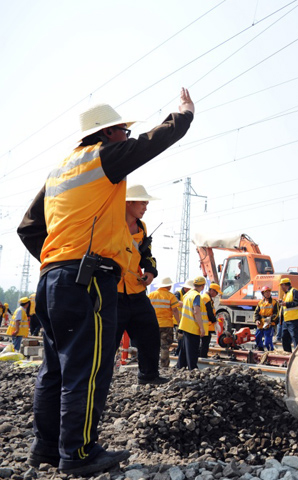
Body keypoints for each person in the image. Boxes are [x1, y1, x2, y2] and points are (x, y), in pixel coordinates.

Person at [16, 88, 194, 475]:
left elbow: (28, 228)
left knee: (54, 370)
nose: (128, 138)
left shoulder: (60, 170)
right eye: (123, 132)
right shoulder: (103, 158)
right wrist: (183, 115)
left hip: (52, 280)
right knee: (88, 368)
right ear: (109, 133)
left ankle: (45, 448)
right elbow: (153, 142)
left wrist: (57, 261)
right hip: (88, 282)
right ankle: (78, 455)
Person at [115, 184, 167, 385]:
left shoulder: (142, 227)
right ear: (128, 202)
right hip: (113, 290)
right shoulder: (111, 222)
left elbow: (147, 255)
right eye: (142, 202)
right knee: (108, 340)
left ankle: (149, 376)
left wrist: (150, 272)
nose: (146, 206)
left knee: (149, 332)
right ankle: (98, 379)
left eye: (146, 202)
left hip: (136, 290)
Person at [148, 277, 181, 368]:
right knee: (165, 346)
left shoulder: (151, 295)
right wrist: (179, 322)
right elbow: (175, 310)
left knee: (153, 345)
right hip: (166, 324)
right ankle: (164, 365)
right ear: (168, 286)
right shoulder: (171, 296)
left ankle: (152, 365)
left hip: (153, 324)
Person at [176, 276, 207, 370]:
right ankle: (192, 368)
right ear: (202, 286)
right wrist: (201, 327)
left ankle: (180, 366)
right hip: (192, 327)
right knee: (192, 350)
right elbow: (196, 311)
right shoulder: (196, 296)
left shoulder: (187, 294)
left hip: (185, 325)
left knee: (185, 349)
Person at [279, 278, 298, 352]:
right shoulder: (286, 294)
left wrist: (286, 304)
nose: (281, 287)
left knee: (295, 338)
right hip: (286, 320)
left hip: (293, 319)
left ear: (284, 285)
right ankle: (288, 353)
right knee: (285, 338)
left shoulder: (294, 291)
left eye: (281, 285)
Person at [199, 283, 221, 358]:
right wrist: (215, 321)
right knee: (205, 342)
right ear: (211, 290)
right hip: (205, 325)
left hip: (206, 324)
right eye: (216, 292)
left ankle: (202, 356)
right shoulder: (206, 298)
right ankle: (202, 356)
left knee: (205, 342)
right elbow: (209, 312)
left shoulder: (208, 298)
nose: (216, 294)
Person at [254, 286, 278, 351]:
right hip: (261, 323)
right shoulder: (260, 302)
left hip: (269, 324)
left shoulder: (274, 302)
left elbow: (277, 313)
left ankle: (271, 351)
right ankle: (260, 349)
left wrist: (270, 319)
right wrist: (257, 320)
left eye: (269, 292)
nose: (268, 293)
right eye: (266, 292)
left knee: (267, 342)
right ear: (263, 294)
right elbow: (256, 313)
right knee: (257, 337)